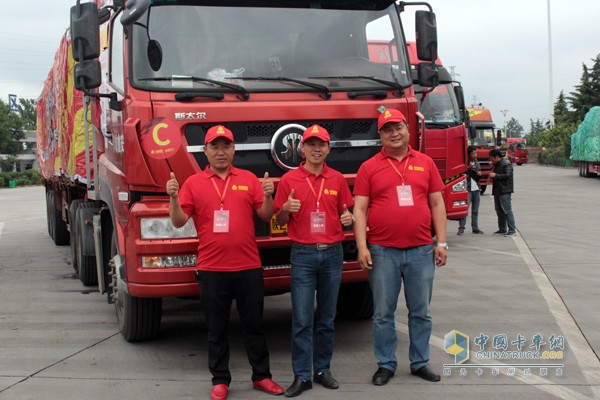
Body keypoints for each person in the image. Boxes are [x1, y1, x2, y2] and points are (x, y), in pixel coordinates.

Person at [166, 125, 284, 400]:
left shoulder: (249, 179)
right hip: (211, 269)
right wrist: (173, 198)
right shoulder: (194, 183)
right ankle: (220, 380)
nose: (221, 152)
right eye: (215, 146)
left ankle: (262, 376)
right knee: (216, 330)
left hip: (248, 267)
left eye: (226, 146)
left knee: (254, 326)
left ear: (233, 150)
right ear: (205, 151)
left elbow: (266, 215)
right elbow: (178, 221)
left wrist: (269, 195)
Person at [353, 108, 447, 386]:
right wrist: (362, 247)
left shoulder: (425, 163)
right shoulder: (369, 167)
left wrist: (441, 242)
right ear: (380, 135)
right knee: (383, 313)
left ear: (408, 129)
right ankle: (386, 364)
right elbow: (360, 209)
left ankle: (420, 362)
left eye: (398, 128)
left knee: (421, 312)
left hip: (421, 250)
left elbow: (437, 203)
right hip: (382, 251)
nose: (394, 134)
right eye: (387, 130)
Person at [274, 124, 354, 398]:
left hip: (332, 253)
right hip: (303, 255)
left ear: (328, 149)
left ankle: (322, 370)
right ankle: (302, 376)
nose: (316, 149)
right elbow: (279, 219)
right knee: (302, 319)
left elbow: (346, 213)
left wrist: (348, 219)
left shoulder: (337, 179)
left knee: (327, 318)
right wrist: (286, 209)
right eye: (311, 144)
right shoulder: (289, 180)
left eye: (321, 144)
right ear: (302, 149)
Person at [488, 148, 517, 237]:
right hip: (497, 190)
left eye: (492, 158)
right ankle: (502, 229)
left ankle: (512, 230)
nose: (491, 160)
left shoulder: (506, 164)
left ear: (497, 157)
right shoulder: (496, 165)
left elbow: (507, 175)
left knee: (507, 210)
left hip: (504, 190)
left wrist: (495, 175)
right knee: (499, 210)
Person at [458, 146, 484, 235]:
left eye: (475, 153)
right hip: (467, 189)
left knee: (475, 210)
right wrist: (468, 168)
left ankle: (475, 227)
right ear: (468, 155)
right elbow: (461, 174)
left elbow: (479, 174)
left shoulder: (477, 163)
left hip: (476, 189)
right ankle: (461, 227)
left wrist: (479, 173)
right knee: (465, 209)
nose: (475, 155)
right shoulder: (464, 164)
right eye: (473, 154)